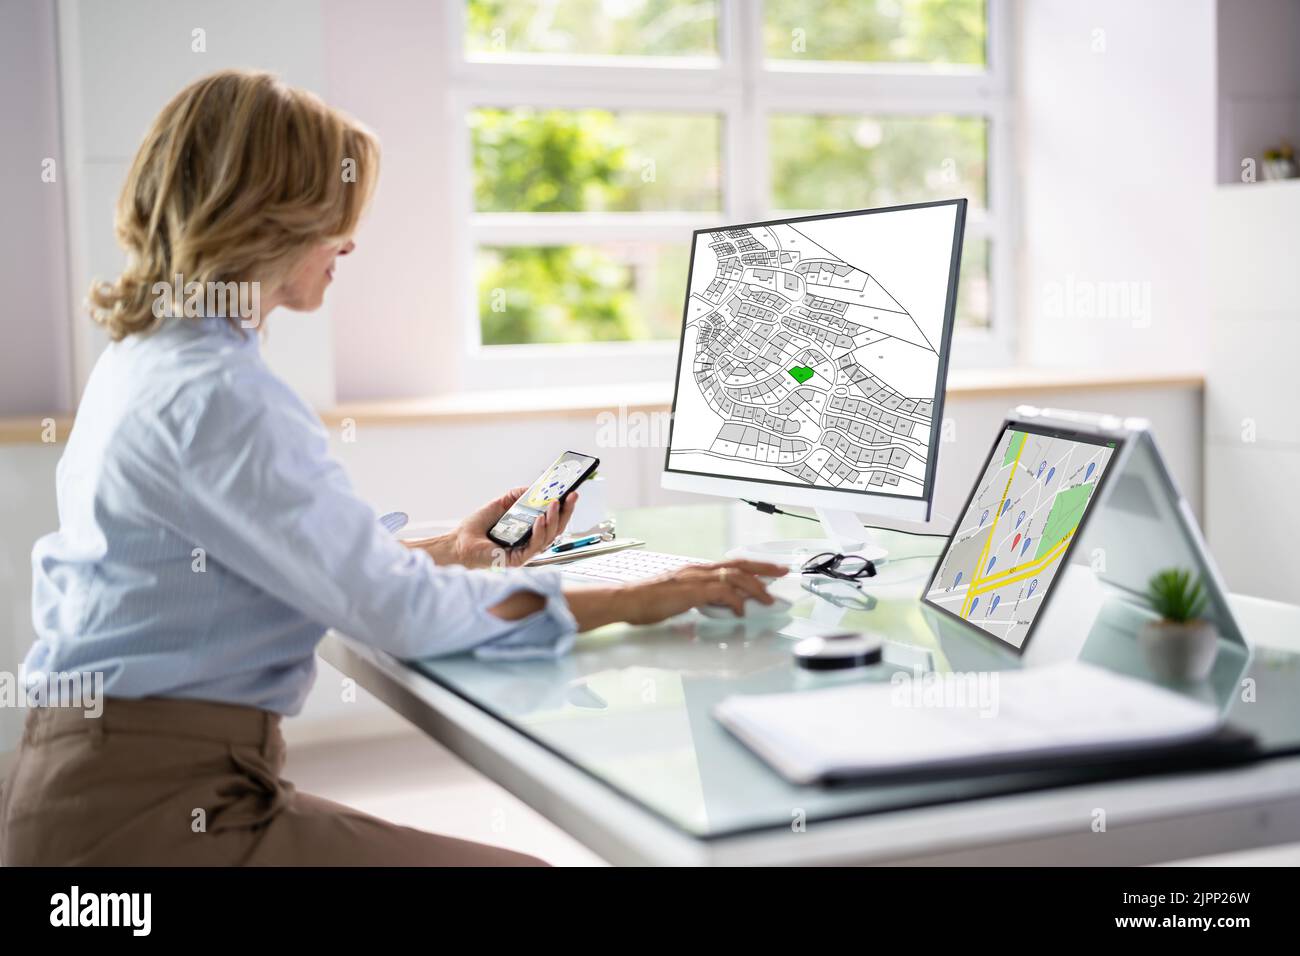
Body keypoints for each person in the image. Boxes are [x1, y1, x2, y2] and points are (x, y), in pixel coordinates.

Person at [0, 70, 784, 867]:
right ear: (271, 219)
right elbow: (400, 617)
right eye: (336, 216)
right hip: (144, 826)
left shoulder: (152, 356)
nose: (349, 242)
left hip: (99, 789)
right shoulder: (221, 395)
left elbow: (280, 565)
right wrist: (638, 598)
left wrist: (455, 549)